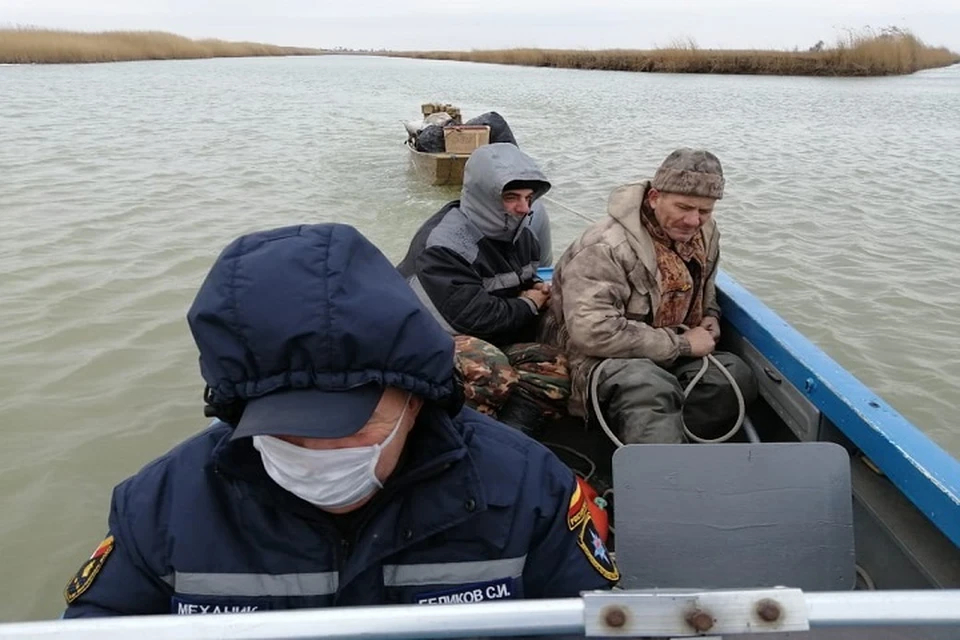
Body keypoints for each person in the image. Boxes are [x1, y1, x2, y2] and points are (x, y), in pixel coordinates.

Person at [62, 223, 618, 617]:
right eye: (280, 424)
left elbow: (594, 620)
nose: (315, 449)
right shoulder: (158, 509)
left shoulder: (529, 489)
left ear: (416, 397)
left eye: (351, 421)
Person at [540, 149, 758, 445]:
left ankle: (672, 445)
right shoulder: (605, 248)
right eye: (684, 207)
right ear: (655, 197)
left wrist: (710, 315)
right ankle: (657, 475)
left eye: (704, 211)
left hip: (672, 349)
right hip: (598, 359)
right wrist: (682, 344)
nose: (693, 220)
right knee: (648, 387)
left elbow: (706, 286)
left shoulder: (705, 232)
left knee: (733, 377)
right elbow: (592, 333)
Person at [397, 143, 568, 438]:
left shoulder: (524, 234)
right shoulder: (443, 243)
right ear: (483, 195)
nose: (524, 208)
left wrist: (537, 290)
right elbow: (474, 317)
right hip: (425, 341)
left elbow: (520, 284)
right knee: (488, 364)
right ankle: (449, 437)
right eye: (511, 197)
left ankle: (511, 437)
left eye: (529, 198)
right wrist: (529, 302)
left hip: (489, 337)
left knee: (554, 363)